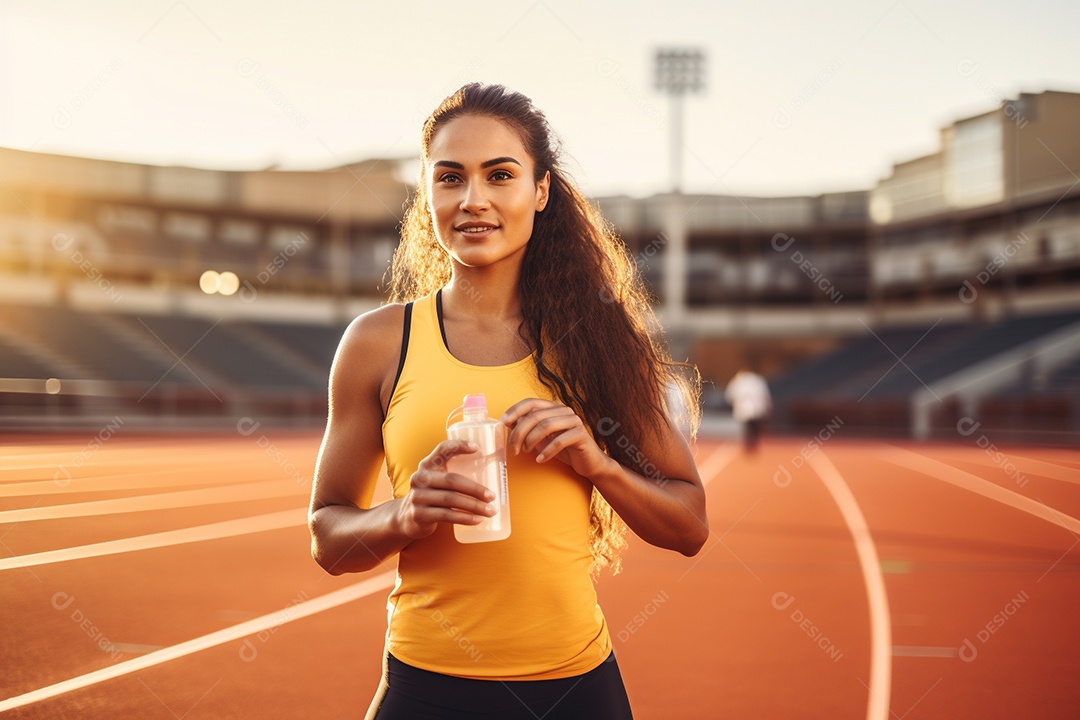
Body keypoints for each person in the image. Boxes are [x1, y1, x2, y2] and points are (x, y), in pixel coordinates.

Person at [307, 83, 708, 720]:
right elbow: (329, 537)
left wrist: (598, 464)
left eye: (500, 175)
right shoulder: (378, 343)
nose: (473, 201)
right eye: (449, 177)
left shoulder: (598, 342)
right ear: (427, 193)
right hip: (424, 688)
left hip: (576, 691)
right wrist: (404, 516)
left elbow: (689, 526)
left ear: (540, 191)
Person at [725, 367, 772, 452]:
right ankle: (751, 443)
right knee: (751, 427)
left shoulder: (738, 381)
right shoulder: (757, 381)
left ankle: (750, 443)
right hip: (752, 409)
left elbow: (729, 396)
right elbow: (765, 396)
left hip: (750, 409)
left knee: (751, 427)